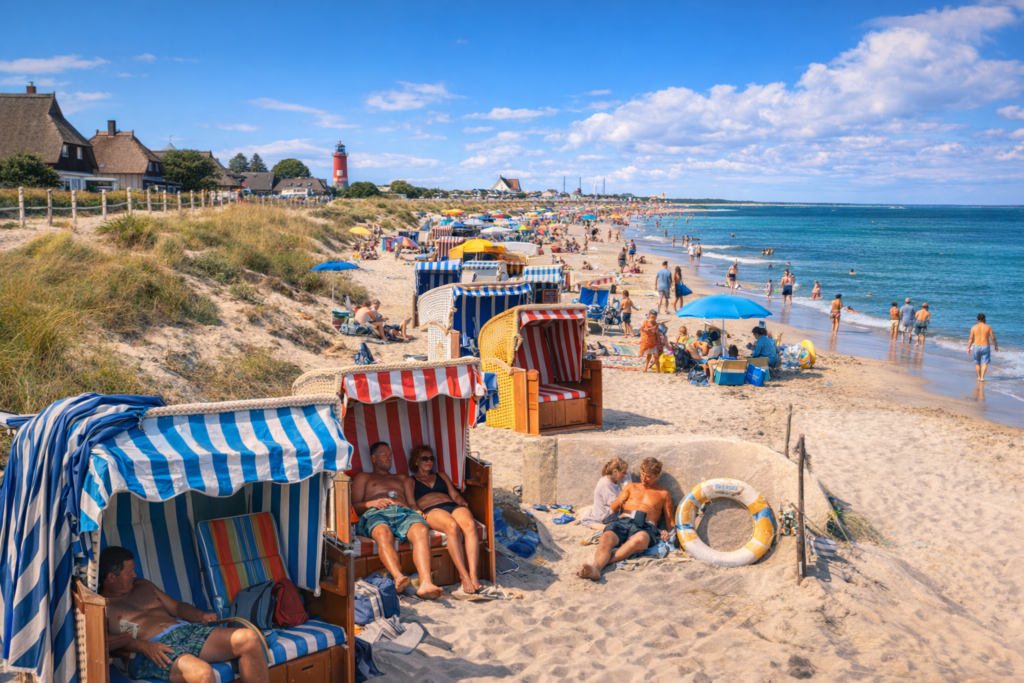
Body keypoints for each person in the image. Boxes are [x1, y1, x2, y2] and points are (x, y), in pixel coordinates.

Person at [98, 546, 268, 683]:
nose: (135, 575)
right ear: (111, 577)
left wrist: (200, 615)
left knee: (249, 639)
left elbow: (177, 608)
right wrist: (142, 646)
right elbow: (101, 641)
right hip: (152, 649)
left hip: (185, 631)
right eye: (130, 572)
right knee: (202, 674)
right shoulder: (99, 605)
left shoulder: (143, 586)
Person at [352, 442, 443, 599]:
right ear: (373, 458)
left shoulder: (401, 478)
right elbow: (353, 506)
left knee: (421, 530)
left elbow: (411, 502)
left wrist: (416, 511)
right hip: (376, 512)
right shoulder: (364, 477)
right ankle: (398, 577)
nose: (389, 458)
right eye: (384, 455)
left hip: (403, 512)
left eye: (390, 454)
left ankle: (426, 583)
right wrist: (371, 503)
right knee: (382, 532)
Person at [576, 457, 674, 581]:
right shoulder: (631, 487)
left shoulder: (664, 494)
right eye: (642, 474)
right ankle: (596, 569)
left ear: (657, 475)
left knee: (639, 540)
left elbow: (669, 520)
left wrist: (667, 532)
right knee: (606, 537)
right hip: (624, 521)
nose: (643, 478)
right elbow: (614, 507)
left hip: (646, 526)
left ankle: (598, 566)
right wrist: (619, 502)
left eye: (648, 476)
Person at [409, 445, 480, 594]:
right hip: (431, 510)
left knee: (469, 524)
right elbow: (411, 502)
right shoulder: (410, 480)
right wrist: (417, 511)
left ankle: (473, 574)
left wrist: (462, 502)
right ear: (416, 461)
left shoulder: (441, 475)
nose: (429, 461)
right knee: (452, 526)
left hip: (451, 505)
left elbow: (454, 495)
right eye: (424, 458)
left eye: (431, 458)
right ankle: (464, 575)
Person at [577, 458, 632, 530]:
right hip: (605, 515)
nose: (625, 475)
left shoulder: (615, 480)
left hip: (610, 512)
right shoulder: (605, 484)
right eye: (623, 472)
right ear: (615, 471)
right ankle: (609, 528)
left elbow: (628, 478)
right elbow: (614, 507)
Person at [967, 313, 998, 382]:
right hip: (985, 346)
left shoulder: (973, 327)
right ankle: (982, 377)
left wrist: (968, 348)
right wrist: (996, 346)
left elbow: (971, 339)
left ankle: (978, 377)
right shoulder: (988, 327)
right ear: (984, 319)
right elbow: (993, 338)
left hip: (976, 346)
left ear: (977, 319)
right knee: (985, 363)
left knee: (977, 363)